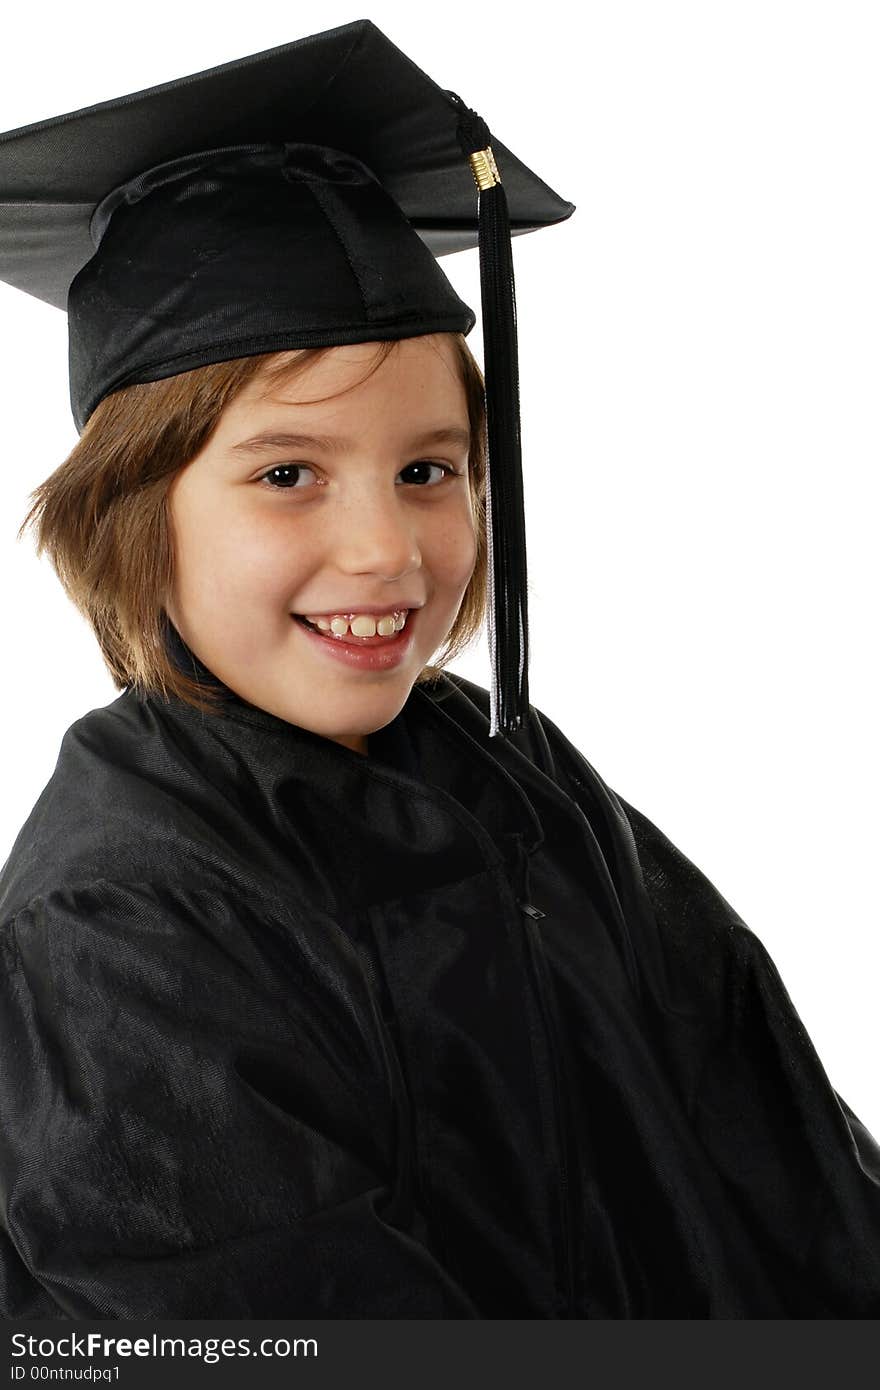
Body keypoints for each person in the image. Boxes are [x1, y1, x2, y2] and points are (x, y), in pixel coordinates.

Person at [0, 19, 878, 1320]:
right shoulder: (122, 928)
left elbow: (777, 1148)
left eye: (430, 469)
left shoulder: (508, 776)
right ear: (133, 514)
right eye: (287, 473)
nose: (387, 549)